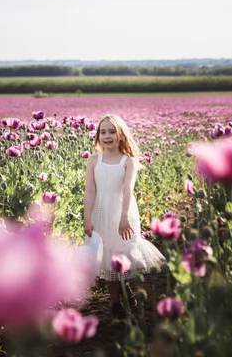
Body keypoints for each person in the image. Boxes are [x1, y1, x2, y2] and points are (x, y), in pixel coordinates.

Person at [83, 114, 166, 317]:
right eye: (103, 132)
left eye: (112, 132)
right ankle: (115, 303)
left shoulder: (127, 161)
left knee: (121, 254)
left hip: (122, 212)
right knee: (107, 255)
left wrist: (124, 217)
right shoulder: (94, 160)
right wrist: (87, 217)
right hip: (101, 212)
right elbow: (90, 191)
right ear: (97, 136)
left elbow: (128, 189)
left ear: (120, 135)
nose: (107, 136)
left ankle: (126, 286)